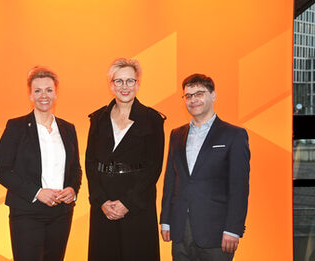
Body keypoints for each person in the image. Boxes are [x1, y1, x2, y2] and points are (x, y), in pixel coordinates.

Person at [0, 66, 82, 261]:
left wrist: (72, 189)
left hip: (61, 214)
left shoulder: (68, 129)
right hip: (27, 213)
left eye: (49, 90)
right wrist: (37, 192)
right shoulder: (16, 127)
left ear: (56, 93)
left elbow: (76, 168)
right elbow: (2, 171)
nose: (44, 95)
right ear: (30, 95)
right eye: (38, 90)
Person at [160, 73, 250, 261]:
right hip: (180, 230)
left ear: (213, 95)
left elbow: (239, 187)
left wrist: (233, 229)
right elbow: (170, 180)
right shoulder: (176, 134)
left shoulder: (234, 135)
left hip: (217, 232)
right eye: (188, 95)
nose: (193, 100)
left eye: (199, 93)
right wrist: (166, 220)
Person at [85, 58, 165, 260]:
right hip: (104, 207)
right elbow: (90, 163)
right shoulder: (98, 118)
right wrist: (101, 201)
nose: (125, 86)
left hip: (137, 205)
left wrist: (128, 202)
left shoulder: (152, 119)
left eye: (130, 81)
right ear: (111, 85)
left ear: (138, 84)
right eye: (119, 81)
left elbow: (154, 168)